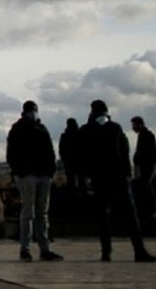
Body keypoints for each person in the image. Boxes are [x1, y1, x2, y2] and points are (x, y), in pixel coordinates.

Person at [79, 100, 156, 262]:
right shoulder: (115, 128)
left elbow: (83, 155)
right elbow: (124, 150)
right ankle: (138, 250)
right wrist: (127, 174)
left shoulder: (86, 130)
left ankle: (106, 252)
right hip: (118, 177)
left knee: (103, 216)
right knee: (130, 215)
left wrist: (88, 177)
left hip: (99, 178)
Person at [6, 100, 63, 262]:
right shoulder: (21, 129)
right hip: (31, 174)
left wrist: (49, 172)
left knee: (39, 213)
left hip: (39, 174)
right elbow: (12, 153)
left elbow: (50, 152)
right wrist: (21, 172)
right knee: (31, 213)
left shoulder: (29, 129)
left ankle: (40, 249)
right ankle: (29, 249)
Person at [131, 116, 156, 219]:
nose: (133, 127)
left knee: (146, 188)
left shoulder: (146, 136)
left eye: (134, 125)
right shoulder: (146, 135)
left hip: (146, 167)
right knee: (146, 188)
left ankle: (150, 209)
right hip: (146, 166)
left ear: (140, 124)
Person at [58, 117, 84, 195]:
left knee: (71, 180)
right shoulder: (80, 135)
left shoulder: (64, 135)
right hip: (79, 160)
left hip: (69, 161)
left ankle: (72, 193)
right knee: (81, 179)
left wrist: (64, 158)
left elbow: (61, 149)